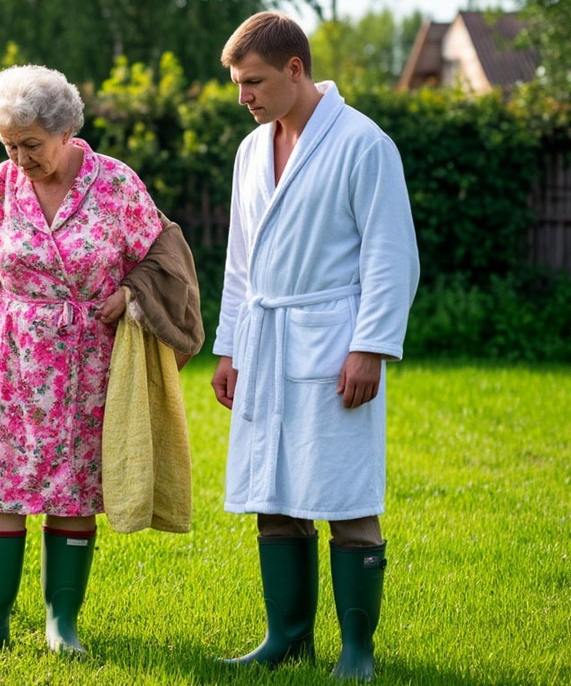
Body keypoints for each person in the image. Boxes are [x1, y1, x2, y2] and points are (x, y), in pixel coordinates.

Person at [0, 64, 183, 664]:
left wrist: (129, 295)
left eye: (30, 145)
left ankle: (61, 624)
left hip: (87, 360)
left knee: (73, 494)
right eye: (8, 145)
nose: (18, 158)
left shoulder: (117, 185)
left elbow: (164, 258)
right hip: (13, 356)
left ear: (68, 129)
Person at [210, 12, 420, 683]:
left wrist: (371, 347)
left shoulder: (363, 143)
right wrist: (231, 346)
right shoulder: (251, 151)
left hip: (333, 342)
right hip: (267, 340)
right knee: (274, 487)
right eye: (238, 83)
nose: (244, 95)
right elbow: (240, 263)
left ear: (295, 69)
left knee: (345, 490)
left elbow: (392, 256)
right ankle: (287, 638)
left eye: (254, 81)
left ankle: (357, 651)